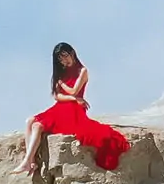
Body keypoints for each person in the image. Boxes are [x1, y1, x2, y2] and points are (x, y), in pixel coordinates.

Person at [22, 40, 129, 174]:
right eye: (60, 59)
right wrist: (73, 98)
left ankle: (27, 161)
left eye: (65, 56)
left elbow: (73, 90)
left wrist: (62, 85)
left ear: (72, 53)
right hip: (61, 106)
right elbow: (57, 96)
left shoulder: (82, 71)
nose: (64, 61)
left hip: (73, 109)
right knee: (29, 121)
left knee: (37, 126)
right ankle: (31, 162)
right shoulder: (62, 72)